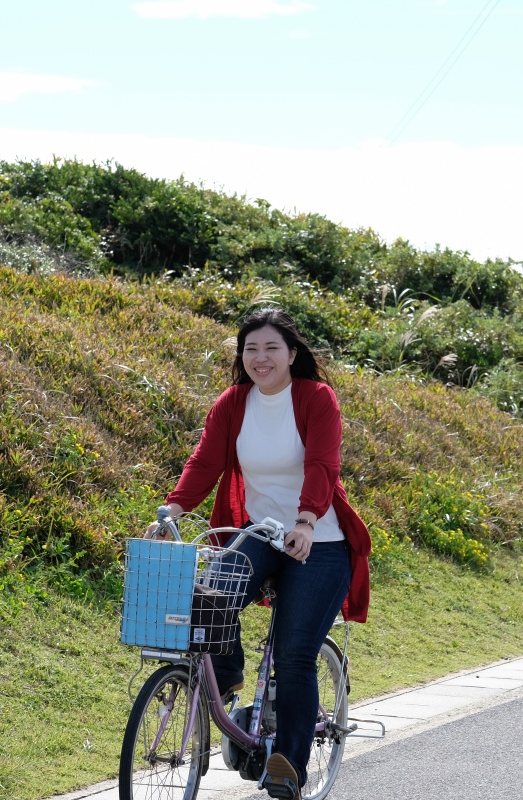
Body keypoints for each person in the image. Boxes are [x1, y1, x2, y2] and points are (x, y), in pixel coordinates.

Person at [149, 307, 371, 799]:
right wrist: (174, 508)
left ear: (292, 354)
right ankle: (225, 680)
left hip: (321, 541)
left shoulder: (315, 398)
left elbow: (322, 465)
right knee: (209, 598)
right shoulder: (234, 402)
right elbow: (205, 459)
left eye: (271, 348)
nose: (260, 358)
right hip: (262, 534)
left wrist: (308, 521)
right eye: (250, 349)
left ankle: (287, 764)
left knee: (294, 656)